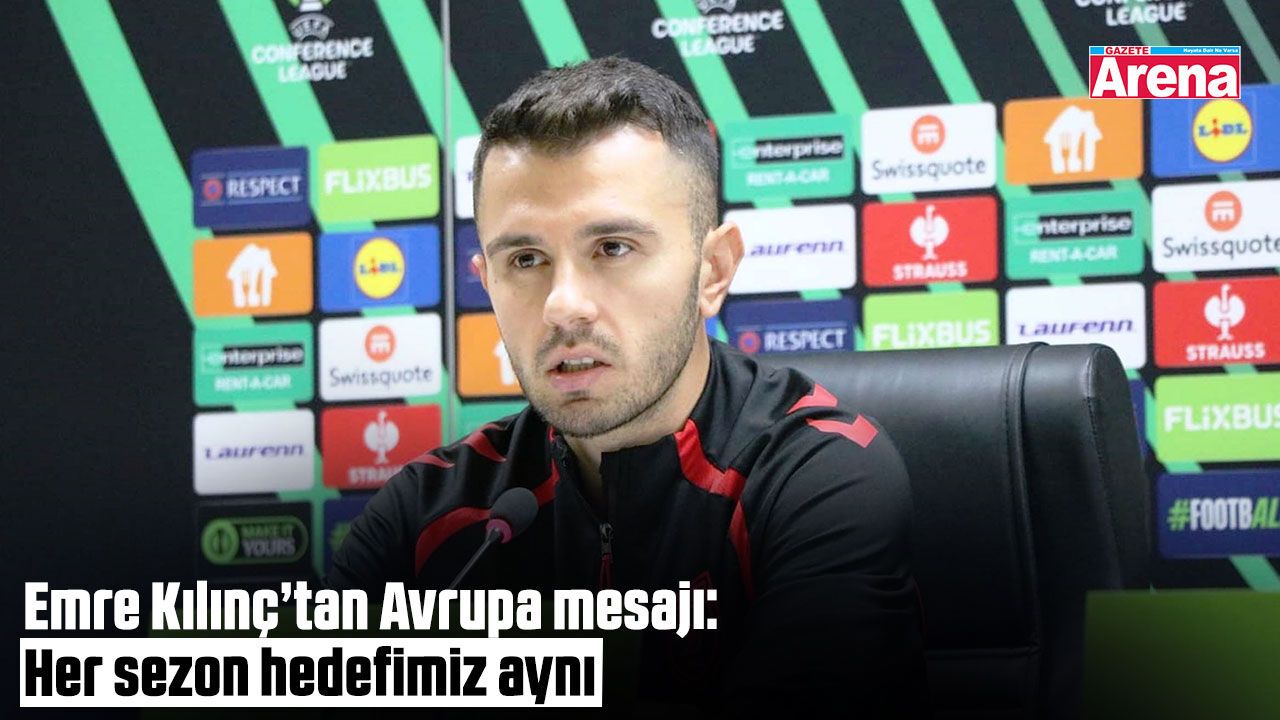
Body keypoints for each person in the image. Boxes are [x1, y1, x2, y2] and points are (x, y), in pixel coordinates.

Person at [328, 56, 927, 712]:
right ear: (487, 280)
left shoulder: (819, 475)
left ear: (713, 270)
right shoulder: (427, 513)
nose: (563, 305)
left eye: (612, 247)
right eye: (525, 259)